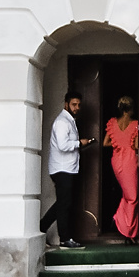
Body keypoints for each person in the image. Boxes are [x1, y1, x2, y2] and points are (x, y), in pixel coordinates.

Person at [42, 90, 90, 249]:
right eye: (74, 104)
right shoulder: (62, 122)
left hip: (67, 168)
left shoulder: (69, 120)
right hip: (62, 169)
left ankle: (41, 228)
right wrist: (79, 143)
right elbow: (63, 146)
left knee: (63, 203)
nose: (77, 108)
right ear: (66, 104)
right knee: (64, 204)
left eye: (79, 105)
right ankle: (65, 239)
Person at [104, 97, 139, 241]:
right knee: (133, 196)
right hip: (129, 160)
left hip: (116, 160)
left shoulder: (113, 123)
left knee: (127, 194)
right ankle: (127, 229)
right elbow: (136, 146)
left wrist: (118, 143)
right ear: (131, 109)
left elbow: (105, 143)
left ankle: (123, 223)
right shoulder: (135, 124)